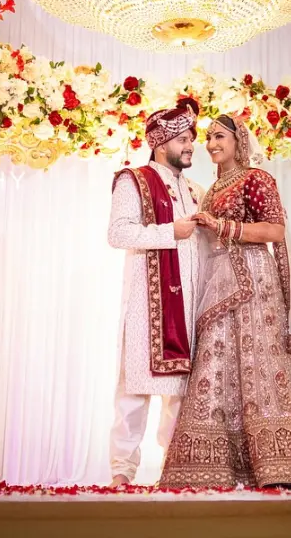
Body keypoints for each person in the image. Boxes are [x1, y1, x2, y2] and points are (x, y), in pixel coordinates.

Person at [160, 113, 291, 489]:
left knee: (261, 364)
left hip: (253, 283)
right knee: (217, 364)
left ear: (238, 141)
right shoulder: (210, 190)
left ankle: (281, 465)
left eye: (219, 136)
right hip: (217, 285)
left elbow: (275, 229)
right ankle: (211, 466)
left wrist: (225, 227)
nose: (211, 143)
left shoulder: (256, 178)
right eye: (208, 138)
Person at [106, 98, 204, 487]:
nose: (190, 146)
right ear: (161, 143)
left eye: (191, 139)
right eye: (183, 139)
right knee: (135, 392)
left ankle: (173, 472)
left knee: (180, 397)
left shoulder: (195, 190)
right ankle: (121, 475)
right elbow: (117, 233)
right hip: (149, 307)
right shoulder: (133, 179)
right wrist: (169, 233)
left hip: (189, 305)